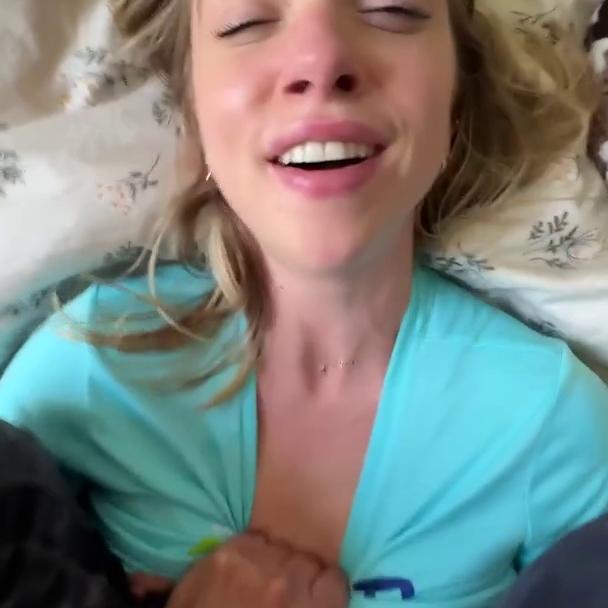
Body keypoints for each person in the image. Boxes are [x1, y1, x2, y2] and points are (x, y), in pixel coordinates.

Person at [1, 0, 607, 606]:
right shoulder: (90, 363)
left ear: (456, 95)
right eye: (246, 21)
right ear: (195, 112)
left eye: (392, 9)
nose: (321, 61)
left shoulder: (549, 419)